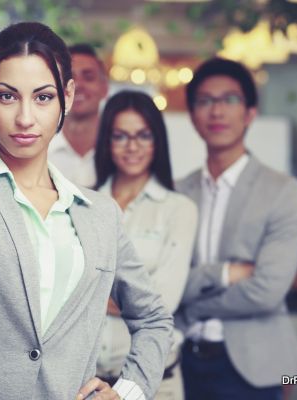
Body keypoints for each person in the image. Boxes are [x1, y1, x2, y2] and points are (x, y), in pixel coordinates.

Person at [0, 22, 173, 400]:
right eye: (7, 96)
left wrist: (127, 392)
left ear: (67, 96)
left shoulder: (99, 213)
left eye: (43, 97)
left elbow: (153, 319)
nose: (25, 118)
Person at [176, 58, 297, 400]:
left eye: (229, 100)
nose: (216, 111)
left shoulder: (282, 190)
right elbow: (165, 282)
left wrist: (194, 306)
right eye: (205, 101)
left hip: (252, 367)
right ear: (192, 115)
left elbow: (267, 291)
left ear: (250, 113)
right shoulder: (177, 192)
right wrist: (224, 273)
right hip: (181, 361)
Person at [94, 91, 198, 400]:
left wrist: (93, 294)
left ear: (157, 141)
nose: (132, 147)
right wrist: (132, 298)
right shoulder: (84, 202)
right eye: (120, 136)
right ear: (107, 142)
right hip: (87, 384)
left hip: (155, 384)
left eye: (143, 135)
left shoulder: (179, 209)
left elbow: (162, 304)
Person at [48, 43, 109, 187]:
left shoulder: (122, 151)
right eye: (69, 78)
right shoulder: (39, 149)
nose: (78, 85)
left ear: (105, 88)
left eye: (88, 77)